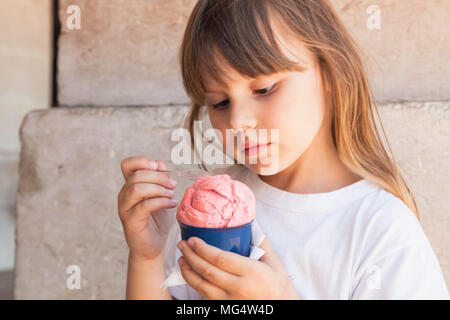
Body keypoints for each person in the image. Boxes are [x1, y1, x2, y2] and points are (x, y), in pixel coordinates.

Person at [117, 0, 449, 299]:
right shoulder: (211, 208)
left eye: (263, 89)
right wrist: (147, 257)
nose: (238, 120)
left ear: (331, 73)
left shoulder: (380, 230)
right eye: (220, 102)